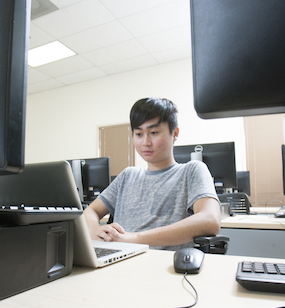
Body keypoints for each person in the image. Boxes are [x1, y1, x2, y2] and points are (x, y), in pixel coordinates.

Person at [83, 97, 221, 250]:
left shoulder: (191, 171)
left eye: (154, 132)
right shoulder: (128, 176)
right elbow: (90, 210)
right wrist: (94, 228)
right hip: (118, 261)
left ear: (175, 133)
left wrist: (133, 239)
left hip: (164, 266)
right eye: (139, 134)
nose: (145, 142)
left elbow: (211, 220)